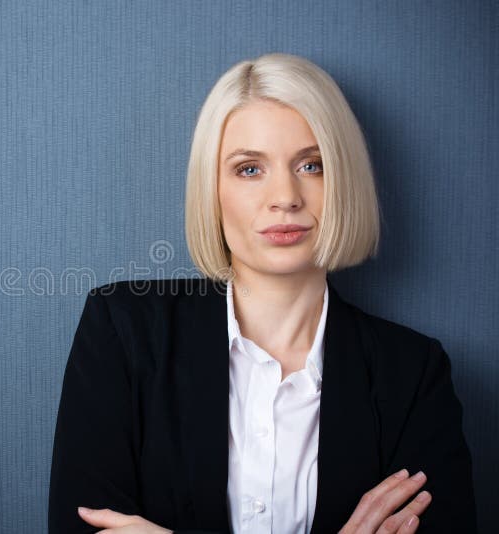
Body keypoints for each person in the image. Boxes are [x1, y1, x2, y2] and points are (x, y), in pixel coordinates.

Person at [48, 53, 476, 533]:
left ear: (344, 180)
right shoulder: (122, 332)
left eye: (312, 165)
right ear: (212, 189)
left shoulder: (413, 373)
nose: (286, 197)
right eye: (250, 169)